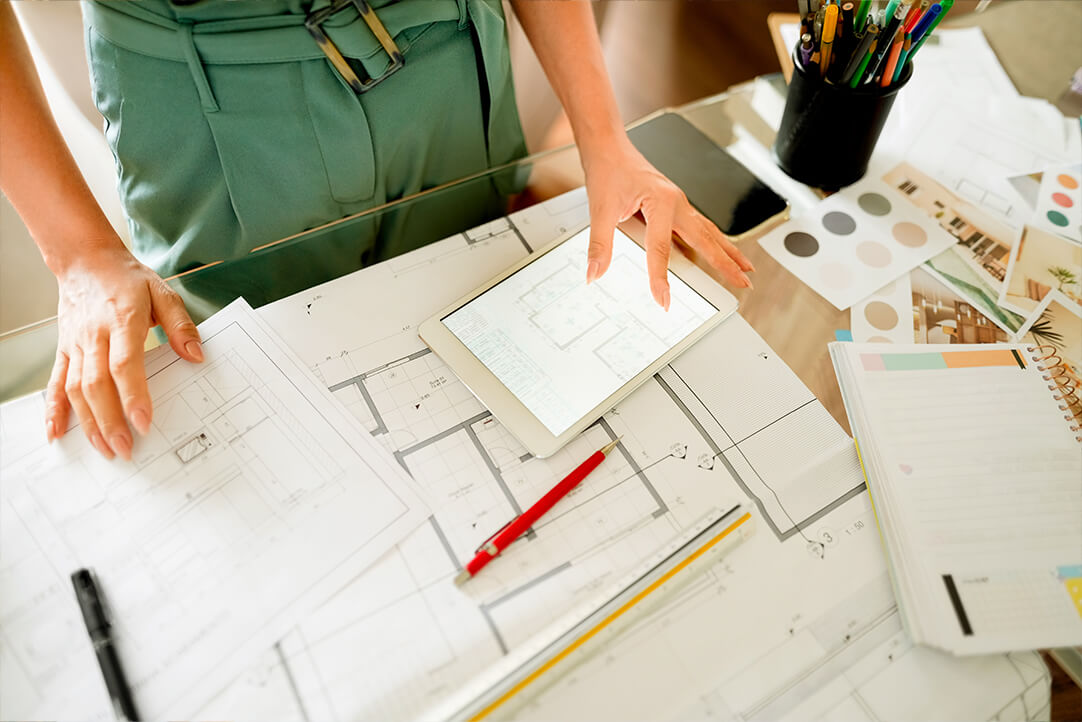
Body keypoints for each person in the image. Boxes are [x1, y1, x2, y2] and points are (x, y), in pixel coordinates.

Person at [0, 0, 754, 462]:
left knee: (483, 341)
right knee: (273, 409)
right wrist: (79, 255)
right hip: (208, 90)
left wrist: (604, 136)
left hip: (447, 47)